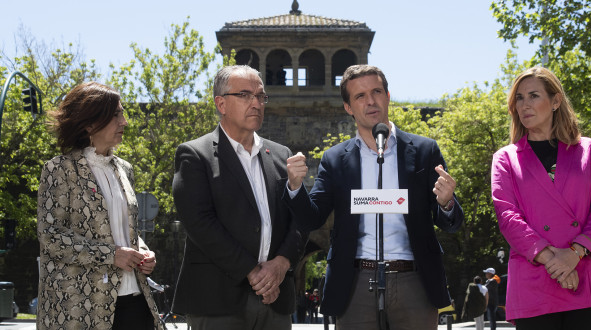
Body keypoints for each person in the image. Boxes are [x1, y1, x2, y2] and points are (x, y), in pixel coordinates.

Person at [286, 64, 464, 330]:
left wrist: (447, 202)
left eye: (376, 92)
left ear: (388, 96)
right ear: (348, 107)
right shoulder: (335, 159)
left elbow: (451, 223)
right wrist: (295, 186)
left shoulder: (425, 151)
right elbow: (312, 218)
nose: (370, 101)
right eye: (360, 96)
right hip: (355, 282)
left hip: (415, 280)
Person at [171, 65, 304, 330]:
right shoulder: (195, 155)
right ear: (221, 103)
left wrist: (282, 263)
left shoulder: (281, 155)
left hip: (274, 302)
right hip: (219, 300)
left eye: (261, 96)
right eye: (245, 95)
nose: (256, 103)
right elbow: (200, 223)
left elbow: (300, 218)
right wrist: (254, 273)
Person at [491, 66, 591, 330]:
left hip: (585, 273)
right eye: (519, 98)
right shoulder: (505, 158)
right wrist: (554, 261)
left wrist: (574, 254)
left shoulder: (589, 150)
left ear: (556, 101)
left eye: (534, 96)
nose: (524, 105)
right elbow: (508, 217)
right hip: (534, 276)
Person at [36, 82, 162, 329]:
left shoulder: (125, 169)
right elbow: (50, 235)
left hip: (134, 299)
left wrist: (144, 252)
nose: (124, 122)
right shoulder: (58, 169)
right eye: (116, 115)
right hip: (82, 307)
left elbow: (125, 230)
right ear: (90, 122)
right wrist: (111, 255)